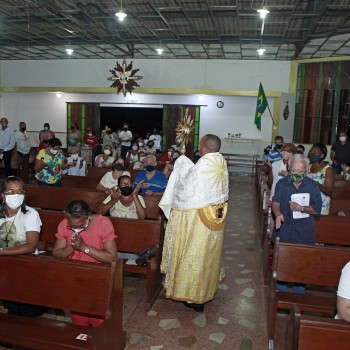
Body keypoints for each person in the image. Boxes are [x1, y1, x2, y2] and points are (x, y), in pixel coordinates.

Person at [159, 134, 229, 312]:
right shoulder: (220, 161)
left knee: (194, 253)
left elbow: (187, 186)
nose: (199, 146)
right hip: (216, 216)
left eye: (200, 144)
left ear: (205, 147)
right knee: (208, 254)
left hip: (198, 219)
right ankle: (207, 288)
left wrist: (181, 161)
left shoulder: (206, 163)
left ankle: (193, 297)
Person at [52, 200, 117, 327]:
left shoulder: (103, 223)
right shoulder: (64, 223)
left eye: (81, 226)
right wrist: (72, 246)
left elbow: (112, 257)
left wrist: (83, 247)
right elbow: (57, 253)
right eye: (72, 226)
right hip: (75, 272)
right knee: (79, 315)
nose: (76, 229)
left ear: (88, 216)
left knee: (98, 318)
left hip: (99, 272)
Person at [272, 154, 322, 293]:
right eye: (294, 171)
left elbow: (317, 209)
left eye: (301, 172)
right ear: (289, 168)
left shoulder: (312, 186)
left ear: (306, 170)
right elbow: (276, 202)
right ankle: (280, 294)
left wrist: (301, 208)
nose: (297, 174)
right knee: (282, 263)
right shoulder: (282, 183)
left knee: (302, 265)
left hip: (304, 231)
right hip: (285, 229)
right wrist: (278, 213)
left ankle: (298, 294)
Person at [0, 176, 46, 317]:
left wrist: (1, 252)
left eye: (20, 192)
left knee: (27, 312)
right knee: (12, 308)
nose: (17, 196)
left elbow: (31, 245)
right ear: (2, 195)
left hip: (27, 264)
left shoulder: (30, 214)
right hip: (5, 265)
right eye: (11, 192)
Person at [307, 143, 334, 215]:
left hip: (321, 205)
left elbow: (329, 191)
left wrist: (316, 184)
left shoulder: (327, 169)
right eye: (311, 152)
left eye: (315, 152)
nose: (311, 154)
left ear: (322, 155)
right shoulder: (308, 167)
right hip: (307, 204)